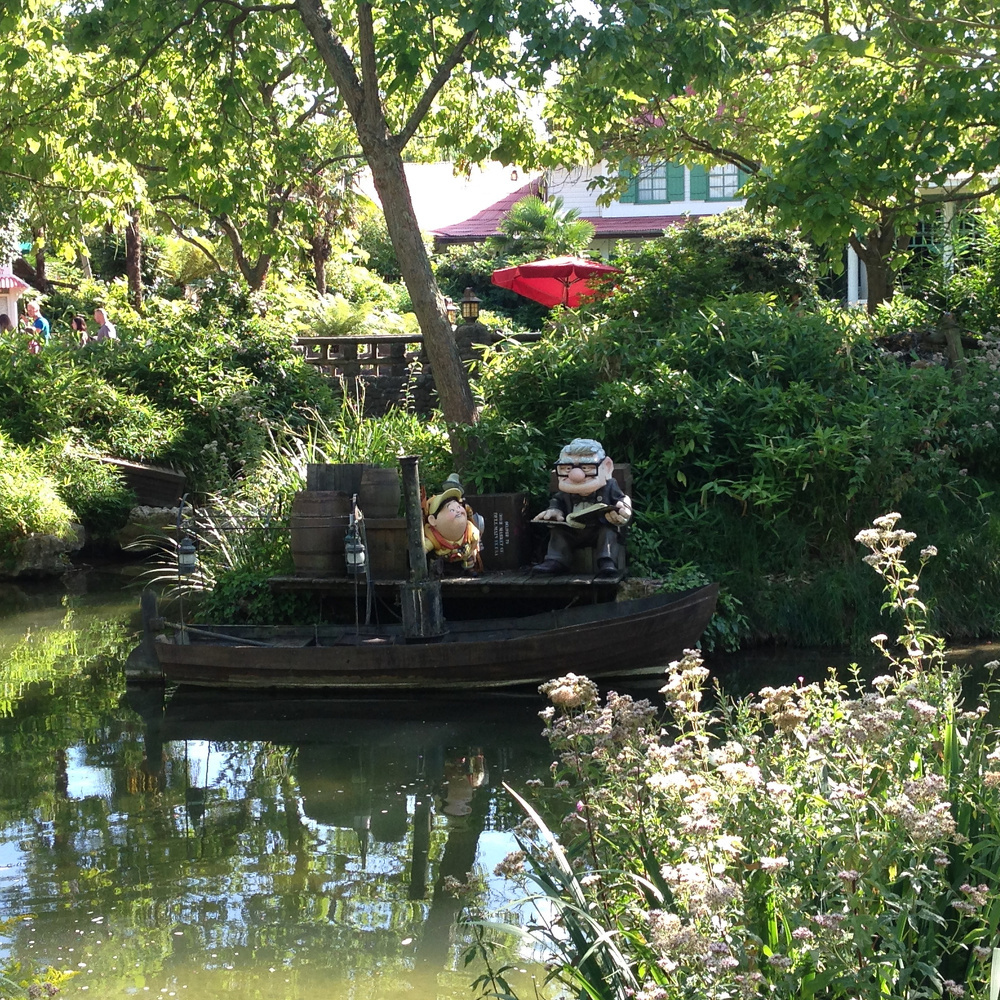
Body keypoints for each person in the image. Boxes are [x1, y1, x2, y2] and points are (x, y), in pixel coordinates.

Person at [531, 437, 632, 579]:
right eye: (567, 468)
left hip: (599, 528)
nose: (576, 475)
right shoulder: (566, 491)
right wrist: (555, 510)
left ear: (607, 467)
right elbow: (557, 501)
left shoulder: (610, 486)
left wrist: (624, 507)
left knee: (608, 531)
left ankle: (607, 562)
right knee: (558, 531)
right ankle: (555, 560)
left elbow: (621, 499)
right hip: (573, 530)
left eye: (587, 468)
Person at [422, 482, 482, 574]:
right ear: (433, 520)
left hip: (464, 553)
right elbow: (423, 549)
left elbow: (476, 538)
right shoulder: (433, 537)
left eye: (458, 507)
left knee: (469, 560)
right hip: (444, 557)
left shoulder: (469, 529)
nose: (458, 511)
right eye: (452, 510)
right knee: (435, 562)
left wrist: (473, 550)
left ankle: (470, 569)